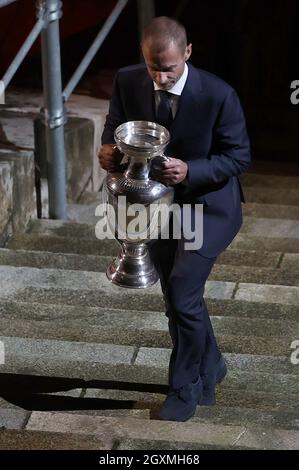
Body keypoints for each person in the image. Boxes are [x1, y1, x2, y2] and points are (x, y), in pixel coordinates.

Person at [98, 16, 251, 422]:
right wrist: (107, 150)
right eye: (154, 67)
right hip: (155, 205)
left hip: (209, 206)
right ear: (143, 58)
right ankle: (212, 361)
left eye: (169, 67)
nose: (161, 76)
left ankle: (185, 389)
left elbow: (239, 157)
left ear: (187, 53)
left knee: (182, 289)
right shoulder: (128, 80)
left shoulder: (219, 94)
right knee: (176, 300)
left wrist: (192, 170)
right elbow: (115, 126)